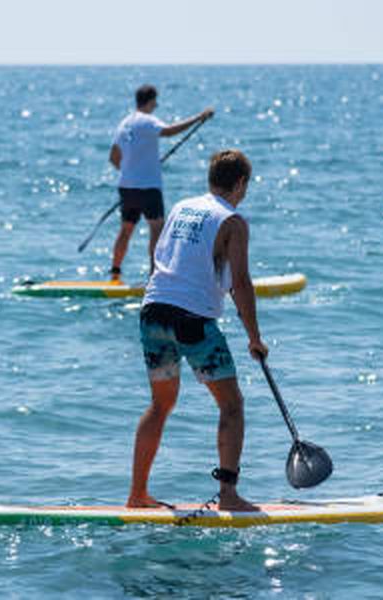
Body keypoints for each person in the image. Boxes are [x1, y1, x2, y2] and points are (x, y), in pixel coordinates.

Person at [127, 149, 268, 511]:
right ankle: (229, 495)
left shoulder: (181, 207)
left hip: (153, 311)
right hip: (191, 319)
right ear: (240, 184)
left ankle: (137, 495)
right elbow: (240, 282)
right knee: (232, 405)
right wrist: (254, 337)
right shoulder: (233, 221)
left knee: (160, 405)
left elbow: (160, 258)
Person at [109, 84, 214, 280]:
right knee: (157, 228)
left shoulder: (124, 123)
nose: (156, 106)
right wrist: (199, 117)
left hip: (127, 186)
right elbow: (169, 131)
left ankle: (115, 273)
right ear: (150, 101)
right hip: (148, 187)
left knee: (126, 228)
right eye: (155, 102)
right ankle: (153, 275)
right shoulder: (148, 121)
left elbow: (114, 157)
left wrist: (131, 171)